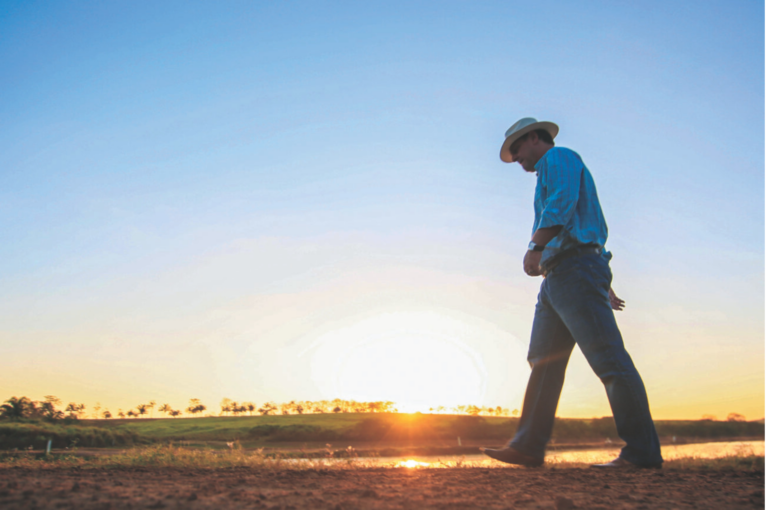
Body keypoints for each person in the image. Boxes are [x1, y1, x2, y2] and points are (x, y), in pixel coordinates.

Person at [481, 117, 663, 469]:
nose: (516, 158)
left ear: (534, 138)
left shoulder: (559, 157)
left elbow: (563, 204)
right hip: (560, 277)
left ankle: (642, 452)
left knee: (608, 358)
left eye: (516, 149)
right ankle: (528, 446)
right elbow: (586, 225)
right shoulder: (547, 171)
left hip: (573, 270)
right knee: (543, 362)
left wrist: (535, 245)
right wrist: (602, 284)